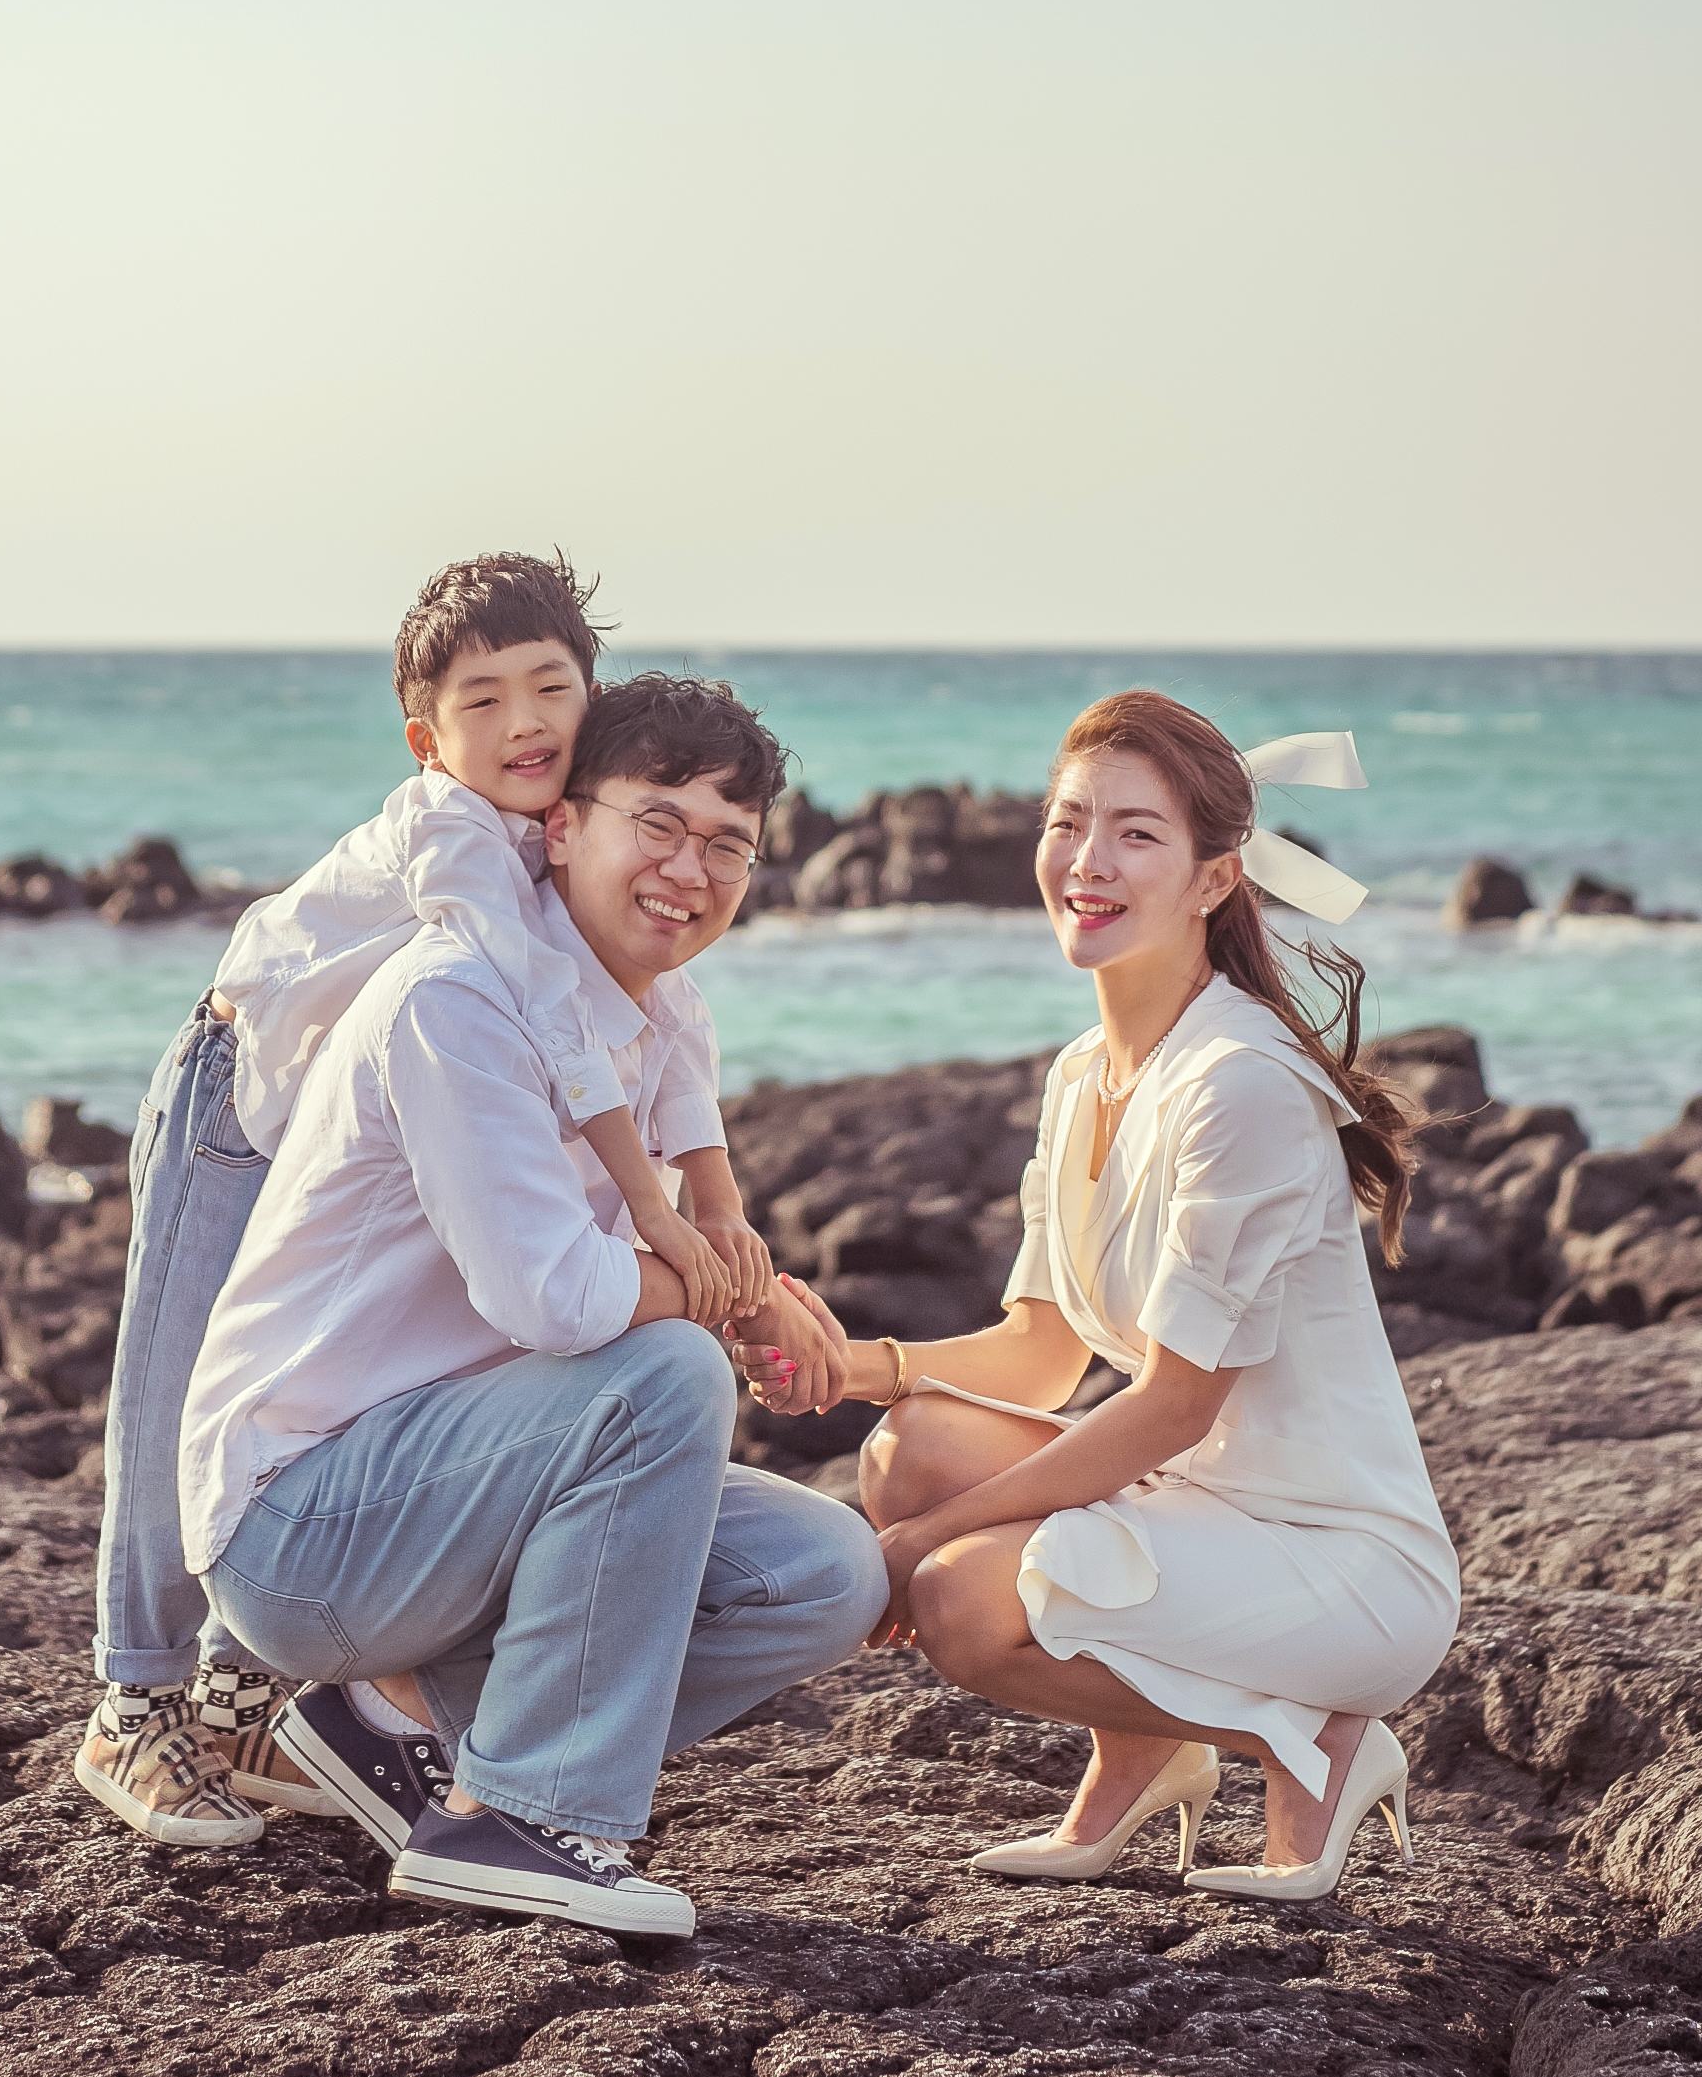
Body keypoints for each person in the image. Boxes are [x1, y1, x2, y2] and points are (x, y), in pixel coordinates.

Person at [72, 553, 774, 1850]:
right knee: (174, 1393)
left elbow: (661, 1017)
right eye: (483, 699)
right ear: (427, 736)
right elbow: (543, 1010)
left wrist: (718, 1212)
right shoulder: (455, 832)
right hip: (240, 1095)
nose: (523, 724)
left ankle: (259, 1695)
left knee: (363, 1365)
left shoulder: (586, 823)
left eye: (550, 688)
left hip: (357, 1108)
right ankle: (135, 1698)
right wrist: (658, 1212)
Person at [177, 672, 885, 1937]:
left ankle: (384, 1721)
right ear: (563, 826)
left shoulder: (653, 1014)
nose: (690, 866)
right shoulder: (456, 1000)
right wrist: (735, 1298)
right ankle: (522, 1812)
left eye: (728, 842)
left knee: (825, 1570)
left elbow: (654, 1253)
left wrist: (743, 1282)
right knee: (666, 1372)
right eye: (655, 822)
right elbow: (558, 1300)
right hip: (304, 1521)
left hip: (454, 1492)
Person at [734, 689, 1459, 1900]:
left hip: (1335, 1559)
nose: (1085, 860)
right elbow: (1041, 1353)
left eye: (1135, 833)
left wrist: (926, 1542)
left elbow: (1171, 1405)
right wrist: (843, 1365)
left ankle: (1316, 1737)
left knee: (961, 1596)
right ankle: (1146, 1746)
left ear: (1214, 878)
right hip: (1194, 1511)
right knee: (909, 1447)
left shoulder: (1239, 1083)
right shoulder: (1083, 1072)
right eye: (1068, 821)